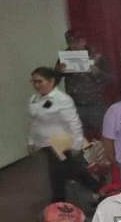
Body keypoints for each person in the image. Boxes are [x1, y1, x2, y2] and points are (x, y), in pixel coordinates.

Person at [28, 66, 88, 203]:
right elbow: (34, 122)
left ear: (51, 81)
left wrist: (77, 144)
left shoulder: (62, 99)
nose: (36, 85)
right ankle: (98, 189)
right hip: (45, 144)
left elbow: (74, 122)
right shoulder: (34, 99)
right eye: (33, 82)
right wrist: (31, 141)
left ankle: (58, 202)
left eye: (40, 81)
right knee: (72, 172)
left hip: (61, 142)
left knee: (58, 174)